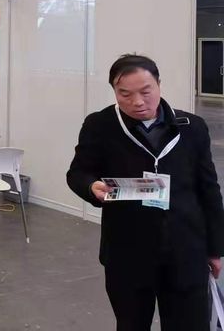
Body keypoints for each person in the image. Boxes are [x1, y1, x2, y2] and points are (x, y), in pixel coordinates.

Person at [67, 54, 224, 331]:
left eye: (145, 91)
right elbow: (78, 173)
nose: (137, 102)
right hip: (127, 253)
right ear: (114, 91)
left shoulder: (192, 127)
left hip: (185, 251)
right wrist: (91, 187)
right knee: (131, 324)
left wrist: (215, 249)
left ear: (159, 84)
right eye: (124, 94)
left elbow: (209, 190)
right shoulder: (100, 125)